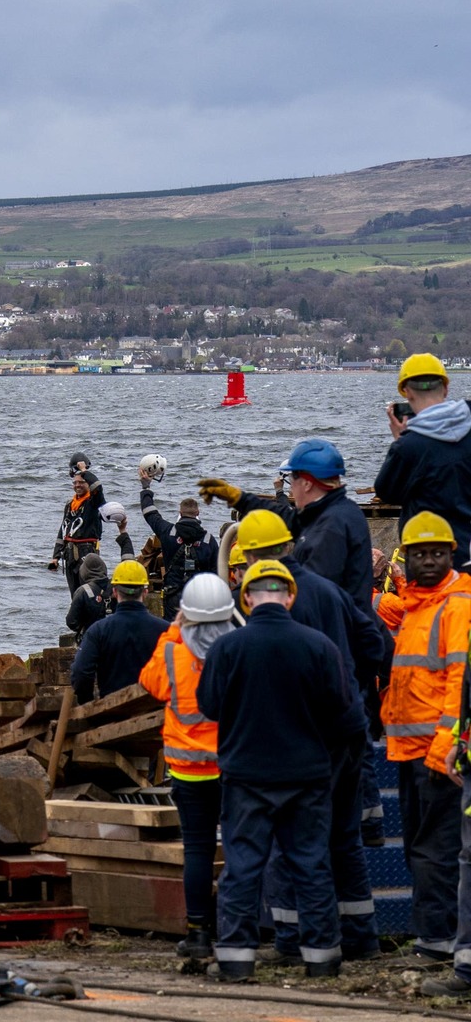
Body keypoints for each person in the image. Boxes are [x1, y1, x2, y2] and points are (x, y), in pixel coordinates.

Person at [232, 509, 389, 965]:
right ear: (288, 544)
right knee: (345, 836)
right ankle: (361, 938)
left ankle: (291, 939)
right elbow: (378, 646)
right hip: (346, 732)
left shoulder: (260, 607)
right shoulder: (332, 592)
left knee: (291, 842)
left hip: (296, 742)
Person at [200, 559, 355, 980]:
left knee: (243, 867)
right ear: (290, 596)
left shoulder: (226, 648)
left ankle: (235, 960)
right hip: (306, 776)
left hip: (246, 776)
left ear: (246, 598)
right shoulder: (320, 646)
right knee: (311, 864)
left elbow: (209, 707)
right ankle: (322, 959)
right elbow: (341, 711)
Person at [368, 515, 471, 979]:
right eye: (420, 554)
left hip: (438, 754)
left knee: (436, 849)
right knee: (418, 846)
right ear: (405, 558)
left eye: (437, 554)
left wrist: (446, 744)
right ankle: (433, 934)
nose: (428, 562)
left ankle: (439, 940)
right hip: (409, 749)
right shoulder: (414, 605)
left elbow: (459, 682)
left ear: (451, 555)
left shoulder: (457, 606)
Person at [141, 573, 241, 961]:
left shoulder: (172, 652)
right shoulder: (236, 649)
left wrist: (171, 632)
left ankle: (198, 934)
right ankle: (236, 931)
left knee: (197, 852)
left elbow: (150, 682)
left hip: (187, 771)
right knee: (238, 849)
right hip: (233, 768)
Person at [199, 439, 374, 607]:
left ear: (306, 484)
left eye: (292, 480)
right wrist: (239, 499)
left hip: (337, 630)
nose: (290, 488)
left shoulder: (332, 528)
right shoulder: (328, 513)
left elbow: (315, 593)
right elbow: (284, 516)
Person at [376, 353, 471, 571]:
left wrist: (400, 440)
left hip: (431, 559)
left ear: (407, 393)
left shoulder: (409, 447)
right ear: (445, 389)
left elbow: (388, 491)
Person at [71, 560, 168, 702]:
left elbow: (80, 673)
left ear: (115, 592)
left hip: (111, 714)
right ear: (145, 592)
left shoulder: (98, 631)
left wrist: (88, 703)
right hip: (156, 713)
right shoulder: (166, 630)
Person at [141, 474, 218, 622]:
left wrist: (146, 488)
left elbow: (149, 513)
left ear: (180, 513)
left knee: (174, 630)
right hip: (200, 599)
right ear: (198, 514)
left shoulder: (168, 532)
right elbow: (216, 573)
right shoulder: (209, 540)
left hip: (173, 597)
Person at [51, 466, 108, 595]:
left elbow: (98, 488)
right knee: (75, 594)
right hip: (70, 555)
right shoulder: (70, 504)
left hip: (87, 553)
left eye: (81, 482)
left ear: (88, 484)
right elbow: (63, 530)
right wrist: (55, 556)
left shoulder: (93, 503)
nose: (78, 485)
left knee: (89, 592)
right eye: (75, 483)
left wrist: (84, 471)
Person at [65, 552, 112, 641]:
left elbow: (71, 622)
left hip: (91, 641)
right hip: (113, 639)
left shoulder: (83, 591)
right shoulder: (115, 588)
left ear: (84, 571)